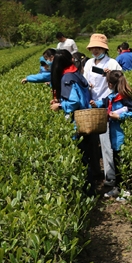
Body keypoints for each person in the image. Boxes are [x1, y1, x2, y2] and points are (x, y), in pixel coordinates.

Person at [49, 49, 97, 194]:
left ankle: (88, 191)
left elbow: (74, 101)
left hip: (78, 121)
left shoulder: (67, 78)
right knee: (87, 155)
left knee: (82, 157)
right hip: (87, 118)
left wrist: (60, 106)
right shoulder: (76, 73)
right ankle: (91, 188)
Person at [90, 71, 132, 199]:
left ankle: (126, 190)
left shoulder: (124, 98)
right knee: (116, 163)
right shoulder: (112, 96)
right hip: (114, 136)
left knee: (122, 164)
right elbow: (104, 102)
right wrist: (95, 104)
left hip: (121, 136)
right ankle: (117, 188)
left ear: (110, 84)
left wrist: (120, 116)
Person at [83, 34, 123, 187]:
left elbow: (121, 82)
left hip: (106, 107)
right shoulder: (88, 63)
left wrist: (109, 75)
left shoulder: (112, 63)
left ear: (104, 49)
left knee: (106, 145)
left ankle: (109, 176)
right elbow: (85, 80)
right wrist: (87, 85)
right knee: (92, 143)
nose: (95, 50)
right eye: (93, 48)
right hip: (91, 106)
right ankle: (96, 173)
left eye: (98, 48)